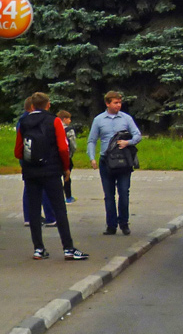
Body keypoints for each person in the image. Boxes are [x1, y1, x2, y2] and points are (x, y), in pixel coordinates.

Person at [15, 92, 87, 260]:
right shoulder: (54, 120)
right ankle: (68, 248)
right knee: (59, 208)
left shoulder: (24, 122)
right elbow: (63, 147)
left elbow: (18, 150)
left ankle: (38, 249)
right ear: (48, 105)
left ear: (32, 106)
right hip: (51, 170)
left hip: (31, 171)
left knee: (33, 210)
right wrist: (65, 167)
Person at [87, 91, 141, 236]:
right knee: (108, 195)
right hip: (106, 161)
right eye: (115, 102)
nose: (118, 105)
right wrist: (92, 158)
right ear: (107, 103)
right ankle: (111, 225)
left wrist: (127, 142)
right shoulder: (99, 120)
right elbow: (92, 140)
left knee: (124, 192)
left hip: (123, 161)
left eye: (119, 102)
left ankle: (124, 223)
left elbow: (137, 135)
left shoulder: (126, 118)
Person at [17, 97, 57, 228]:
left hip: (26, 156)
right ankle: (51, 217)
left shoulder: (22, 121)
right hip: (40, 158)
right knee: (44, 186)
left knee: (28, 188)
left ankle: (29, 216)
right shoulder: (39, 120)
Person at [57, 109, 79, 203]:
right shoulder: (69, 130)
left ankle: (58, 196)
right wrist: (72, 153)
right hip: (66, 156)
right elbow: (73, 144)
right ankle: (68, 196)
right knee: (67, 176)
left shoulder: (53, 128)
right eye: (69, 119)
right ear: (64, 119)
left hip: (56, 156)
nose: (70, 121)